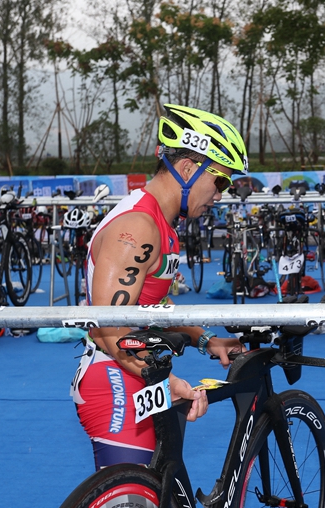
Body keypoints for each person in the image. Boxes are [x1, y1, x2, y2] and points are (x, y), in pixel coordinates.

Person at [71, 103, 249, 472]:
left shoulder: (162, 223)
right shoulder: (139, 228)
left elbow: (151, 309)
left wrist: (206, 340)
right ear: (187, 168)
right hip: (117, 379)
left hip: (139, 372)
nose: (221, 193)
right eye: (220, 180)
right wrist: (169, 381)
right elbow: (111, 328)